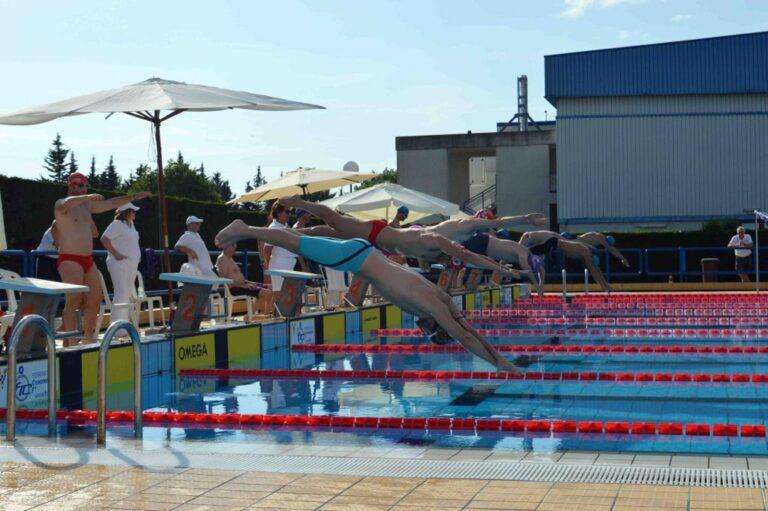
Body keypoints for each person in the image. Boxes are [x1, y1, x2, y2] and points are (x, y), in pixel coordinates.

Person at [215, 219, 519, 372]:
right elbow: (463, 336)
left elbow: (464, 324)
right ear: (433, 325)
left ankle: (259, 228)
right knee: (296, 244)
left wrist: (492, 350)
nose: (420, 329)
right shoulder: (429, 306)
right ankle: (246, 228)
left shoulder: (440, 297)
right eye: (426, 331)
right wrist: (503, 364)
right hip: (358, 260)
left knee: (304, 239)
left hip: (367, 253)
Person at [280, 196, 520, 279]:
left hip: (377, 240)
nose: (448, 264)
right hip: (376, 232)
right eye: (450, 261)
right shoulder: (433, 241)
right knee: (333, 220)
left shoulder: (430, 256)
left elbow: (467, 259)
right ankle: (298, 203)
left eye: (450, 264)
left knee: (329, 232)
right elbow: (469, 254)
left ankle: (290, 233)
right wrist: (525, 217)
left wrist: (504, 270)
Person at [54, 172, 150, 344]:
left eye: (85, 186)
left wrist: (134, 196)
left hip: (87, 259)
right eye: (81, 186)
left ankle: (88, 339)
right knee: (73, 300)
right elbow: (66, 204)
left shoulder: (86, 207)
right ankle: (72, 341)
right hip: (69, 258)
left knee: (95, 298)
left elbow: (112, 203)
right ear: (71, 185)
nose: (84, 189)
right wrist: (89, 197)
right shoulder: (61, 203)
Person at [520, 230, 615, 292]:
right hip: (548, 243)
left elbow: (596, 270)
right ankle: (540, 287)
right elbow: (594, 270)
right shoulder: (582, 249)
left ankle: (540, 287)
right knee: (539, 267)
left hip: (547, 243)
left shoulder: (583, 248)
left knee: (540, 268)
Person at [460, 232, 545, 296]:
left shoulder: (520, 253)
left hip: (485, 243)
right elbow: (529, 271)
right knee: (458, 256)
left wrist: (541, 284)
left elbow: (500, 265)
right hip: (483, 243)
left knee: (478, 269)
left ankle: (470, 291)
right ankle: (459, 288)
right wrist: (538, 287)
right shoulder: (524, 255)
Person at [101, 203, 142, 330]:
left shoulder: (131, 225)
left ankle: (123, 325)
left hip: (131, 263)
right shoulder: (117, 224)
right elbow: (104, 239)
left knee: (126, 293)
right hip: (119, 263)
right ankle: (116, 328)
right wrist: (116, 254)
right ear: (126, 212)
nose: (135, 213)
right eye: (133, 211)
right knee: (121, 292)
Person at [427, 208, 547, 243]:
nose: (489, 228)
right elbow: (499, 222)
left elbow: (493, 235)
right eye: (487, 224)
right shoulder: (469, 224)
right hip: (424, 238)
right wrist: (525, 219)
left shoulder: (472, 229)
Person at [216, 242, 274, 314]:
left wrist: (253, 283)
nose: (235, 248)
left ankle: (264, 313)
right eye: (233, 245)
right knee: (266, 293)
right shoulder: (222, 259)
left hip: (244, 285)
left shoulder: (230, 259)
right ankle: (249, 316)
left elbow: (238, 278)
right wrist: (242, 284)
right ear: (226, 247)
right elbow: (224, 279)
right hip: (235, 288)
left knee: (272, 288)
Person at [263, 203, 299, 290]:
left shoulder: (285, 226)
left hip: (287, 263)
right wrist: (267, 267)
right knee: (278, 294)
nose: (289, 214)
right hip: (279, 264)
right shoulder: (274, 228)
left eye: (290, 212)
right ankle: (270, 304)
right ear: (278, 213)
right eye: (287, 211)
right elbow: (267, 249)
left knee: (286, 294)